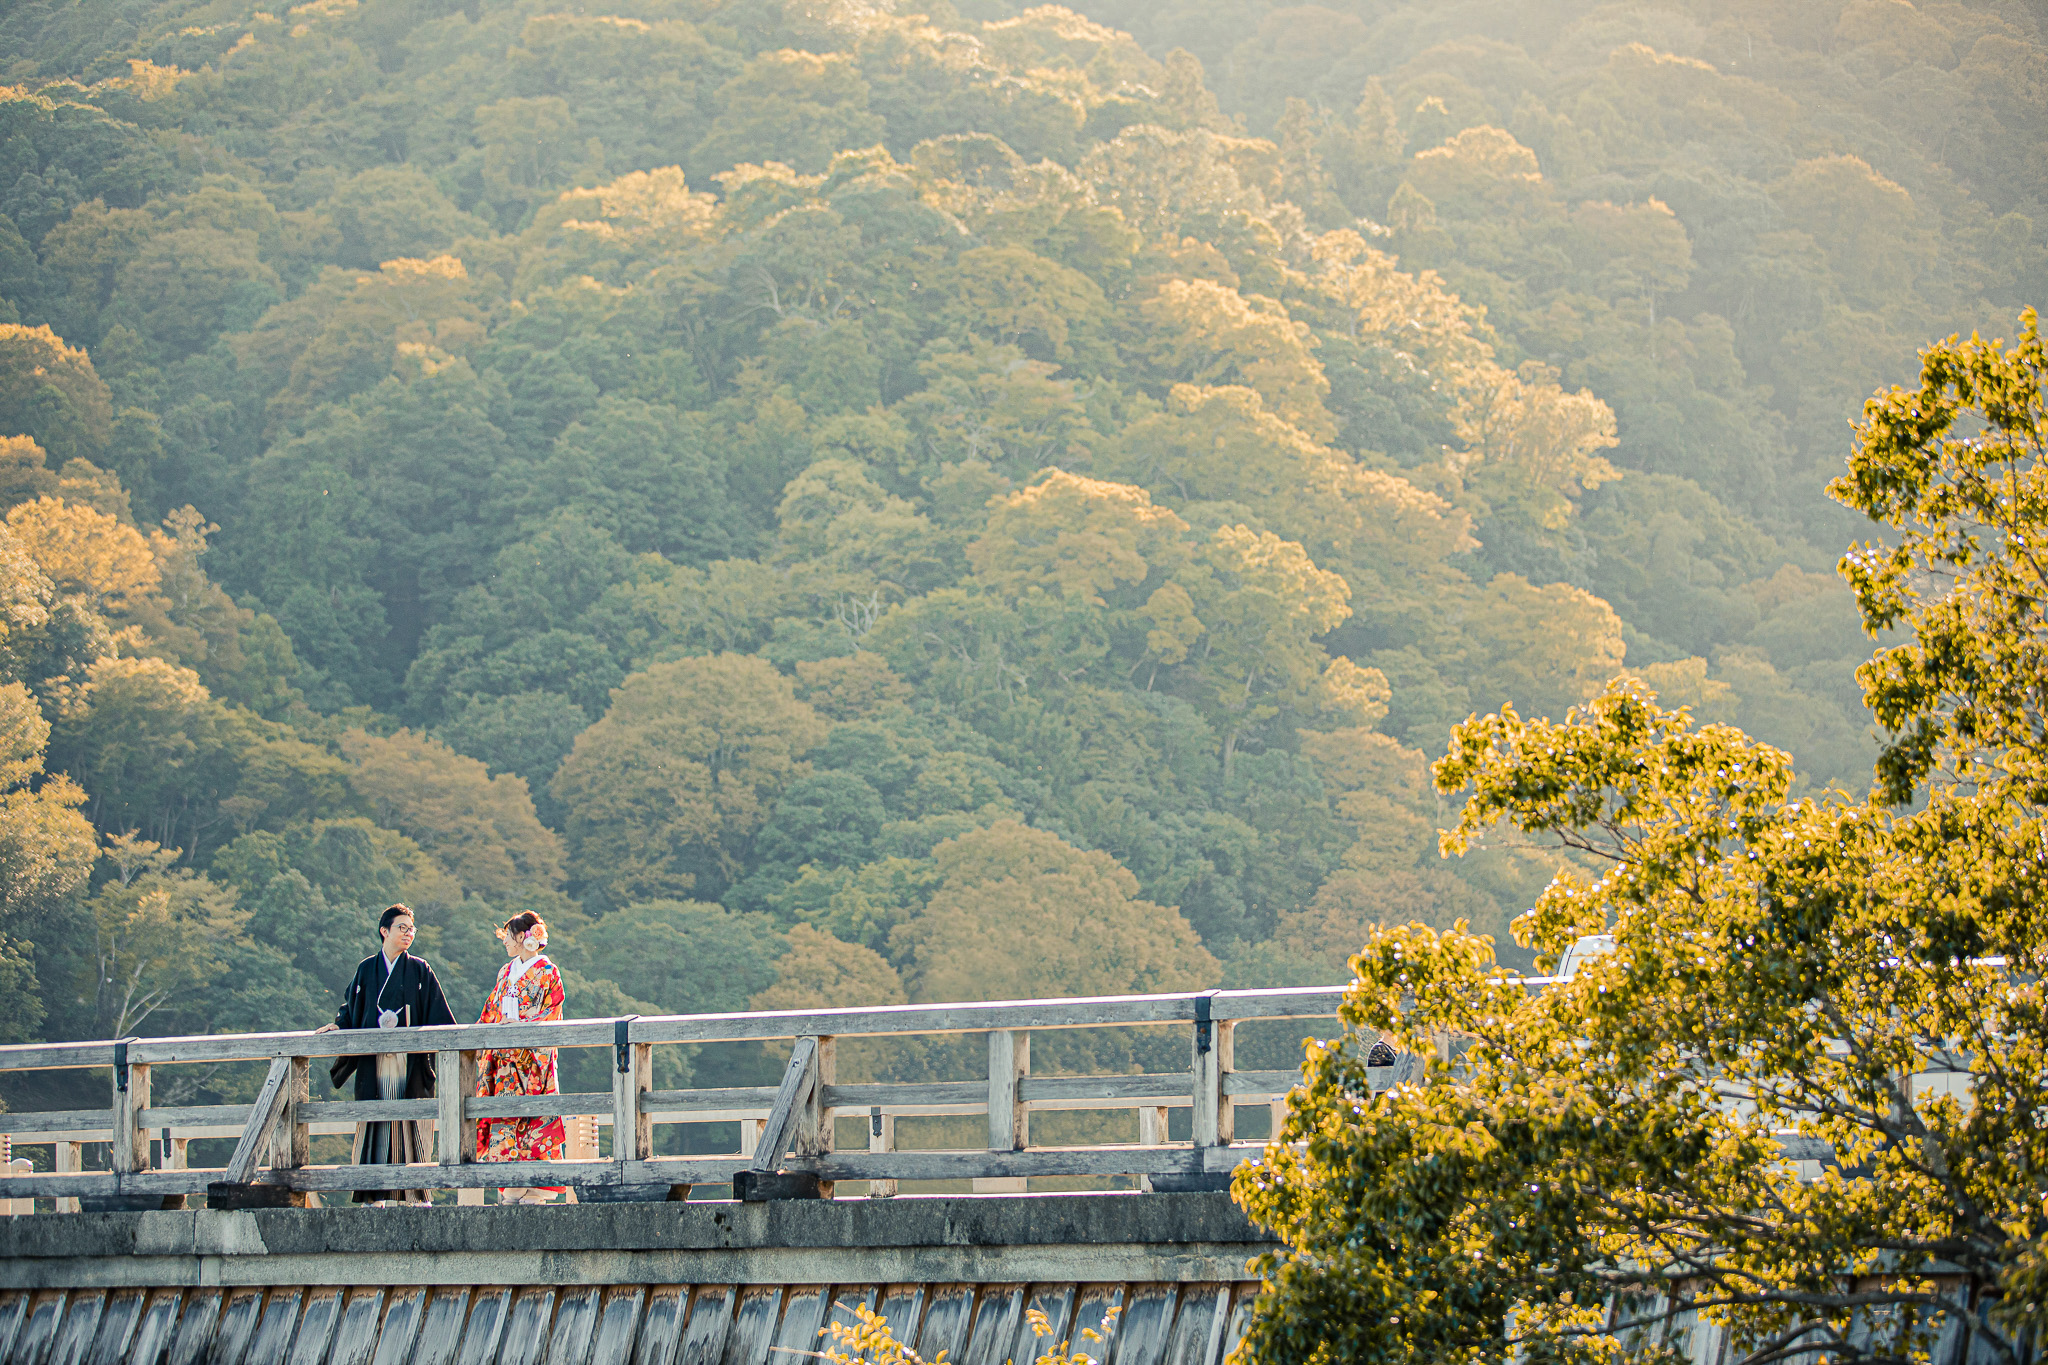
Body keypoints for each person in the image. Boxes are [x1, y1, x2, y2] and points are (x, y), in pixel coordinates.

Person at [316, 904, 457, 1205]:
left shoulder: (420, 969)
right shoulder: (367, 969)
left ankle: (416, 1195)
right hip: (375, 1061)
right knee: (375, 1124)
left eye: (411, 929)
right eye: (402, 928)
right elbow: (351, 1008)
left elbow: (440, 1015)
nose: (408, 934)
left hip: (409, 1062)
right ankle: (373, 1195)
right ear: (385, 931)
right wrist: (338, 1025)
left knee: (411, 1125)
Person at [474, 912, 569, 1205]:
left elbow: (552, 1012)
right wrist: (479, 1036)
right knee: (505, 1120)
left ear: (525, 937)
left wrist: (520, 1025)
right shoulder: (506, 971)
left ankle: (535, 1188)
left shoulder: (548, 972)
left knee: (533, 1119)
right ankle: (510, 1184)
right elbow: (492, 1009)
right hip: (503, 1063)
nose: (506, 942)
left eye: (509, 937)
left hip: (533, 1063)